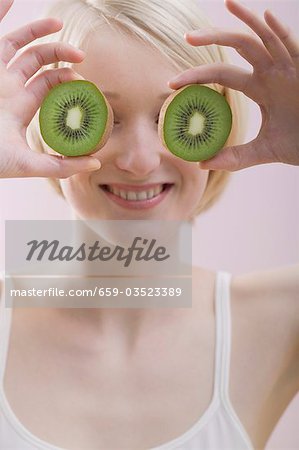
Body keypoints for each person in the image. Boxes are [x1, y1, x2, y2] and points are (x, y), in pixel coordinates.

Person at [0, 0, 298, 449]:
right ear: (45, 130)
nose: (139, 161)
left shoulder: (279, 318)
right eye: (107, 117)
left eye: (171, 116)